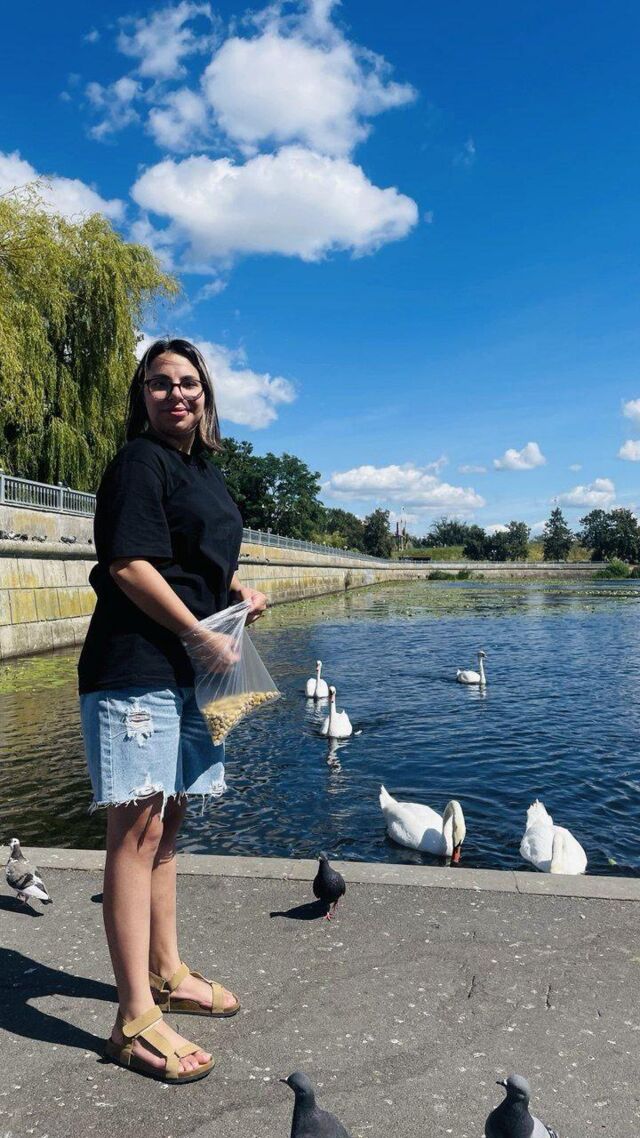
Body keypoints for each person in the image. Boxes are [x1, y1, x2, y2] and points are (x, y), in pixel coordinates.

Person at [77, 337, 267, 1083]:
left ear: (206, 396)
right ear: (143, 396)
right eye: (160, 384)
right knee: (135, 831)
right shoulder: (139, 463)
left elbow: (192, 563)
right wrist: (198, 632)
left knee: (170, 824)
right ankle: (132, 1020)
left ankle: (165, 972)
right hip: (137, 668)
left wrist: (235, 594)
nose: (176, 394)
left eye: (188, 383)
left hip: (192, 670)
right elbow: (129, 564)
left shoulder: (204, 472)